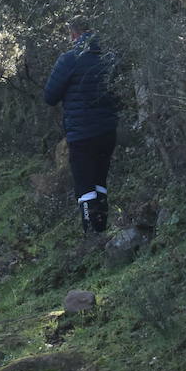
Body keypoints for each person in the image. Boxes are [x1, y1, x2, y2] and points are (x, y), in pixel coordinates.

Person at [43, 15, 120, 233]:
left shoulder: (69, 59)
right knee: (100, 181)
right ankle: (102, 229)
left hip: (81, 133)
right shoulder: (108, 57)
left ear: (74, 34)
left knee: (84, 185)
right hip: (107, 130)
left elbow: (50, 96)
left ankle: (91, 236)